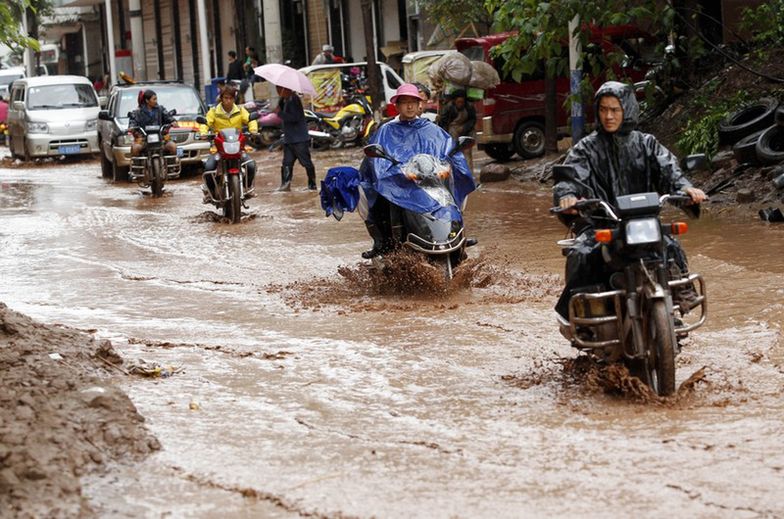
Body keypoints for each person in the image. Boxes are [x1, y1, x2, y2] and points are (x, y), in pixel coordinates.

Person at [553, 80, 707, 319]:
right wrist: (567, 196)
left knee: (671, 245)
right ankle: (581, 314)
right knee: (582, 253)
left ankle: (679, 291)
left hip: (643, 222)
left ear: (627, 110)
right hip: (602, 224)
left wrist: (687, 190)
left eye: (615, 109)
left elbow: (669, 171)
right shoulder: (585, 148)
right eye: (603, 109)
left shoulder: (647, 144)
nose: (608, 116)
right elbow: (570, 176)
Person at [359, 83, 476, 258]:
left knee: (455, 191)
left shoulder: (431, 129)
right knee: (378, 196)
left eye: (413, 102)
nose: (409, 106)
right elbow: (376, 162)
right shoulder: (386, 130)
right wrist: (398, 172)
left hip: (430, 179)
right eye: (404, 102)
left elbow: (448, 150)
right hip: (400, 182)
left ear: (420, 104)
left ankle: (457, 235)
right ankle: (384, 242)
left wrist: (447, 166)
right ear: (397, 106)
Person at [200, 85, 259, 201]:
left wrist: (253, 130)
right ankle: (210, 192)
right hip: (219, 149)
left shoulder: (241, 111)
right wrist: (203, 132)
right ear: (221, 98)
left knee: (251, 166)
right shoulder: (214, 112)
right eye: (226, 98)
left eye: (230, 98)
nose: (228, 101)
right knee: (209, 168)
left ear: (234, 99)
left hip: (238, 148)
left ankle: (247, 187)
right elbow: (206, 123)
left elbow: (250, 119)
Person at [275, 85, 316, 191]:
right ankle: (285, 184)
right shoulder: (285, 100)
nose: (278, 91)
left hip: (299, 139)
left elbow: (294, 117)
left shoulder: (294, 100)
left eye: (279, 89)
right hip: (289, 139)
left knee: (306, 162)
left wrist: (280, 114)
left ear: (286, 89)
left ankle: (312, 184)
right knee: (287, 162)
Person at [128, 89, 177, 158]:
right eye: (154, 99)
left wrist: (173, 121)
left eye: (156, 99)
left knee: (173, 146)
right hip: (143, 139)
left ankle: (172, 165)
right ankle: (138, 166)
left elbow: (167, 116)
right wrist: (131, 127)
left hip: (161, 137)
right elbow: (133, 121)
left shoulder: (160, 109)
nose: (156, 101)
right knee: (135, 149)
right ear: (147, 100)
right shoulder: (137, 112)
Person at [437, 90, 476, 173]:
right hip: (452, 131)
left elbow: (473, 120)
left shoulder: (469, 107)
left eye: (462, 102)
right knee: (455, 153)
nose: (460, 104)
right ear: (454, 101)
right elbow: (443, 123)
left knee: (467, 153)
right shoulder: (448, 108)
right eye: (458, 102)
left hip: (467, 130)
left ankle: (469, 174)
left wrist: (464, 128)